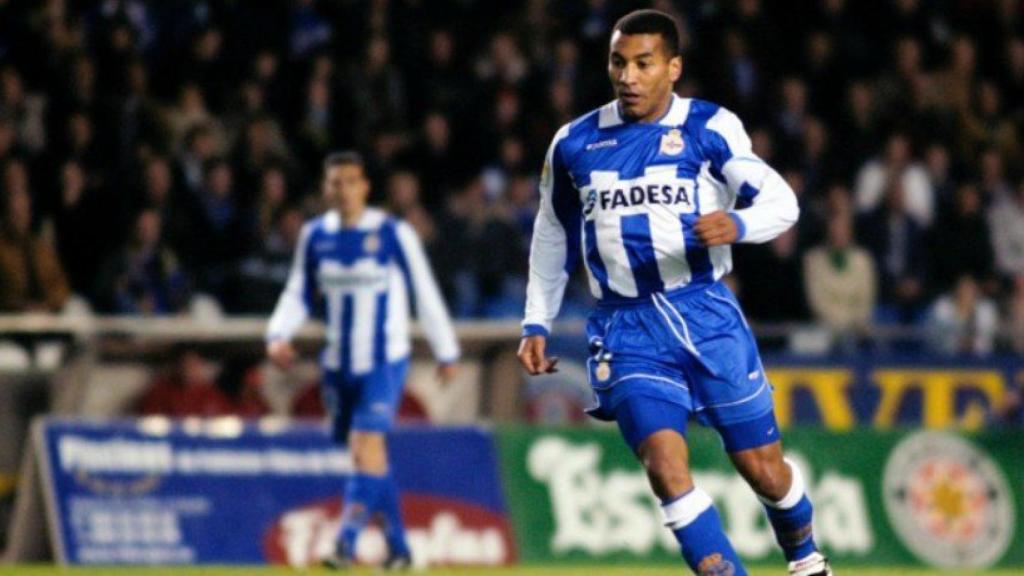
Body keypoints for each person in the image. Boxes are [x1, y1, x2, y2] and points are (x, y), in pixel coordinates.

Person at [517, 10, 830, 576]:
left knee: (764, 470)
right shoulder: (574, 143)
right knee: (664, 466)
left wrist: (738, 224)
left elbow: (782, 203)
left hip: (706, 315)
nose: (628, 77)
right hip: (625, 328)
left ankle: (806, 561)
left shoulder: (710, 128)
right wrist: (536, 320)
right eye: (618, 63)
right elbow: (552, 231)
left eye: (643, 63)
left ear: (673, 68)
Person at [265, 151, 459, 570]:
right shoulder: (315, 235)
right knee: (368, 457)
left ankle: (345, 543)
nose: (344, 190)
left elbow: (424, 290)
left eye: (351, 181)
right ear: (325, 189)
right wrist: (277, 333)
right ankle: (400, 550)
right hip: (338, 363)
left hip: (384, 361)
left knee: (365, 445)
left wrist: (446, 349)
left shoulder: (392, 233)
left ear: (365, 187)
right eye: (335, 182)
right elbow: (299, 292)